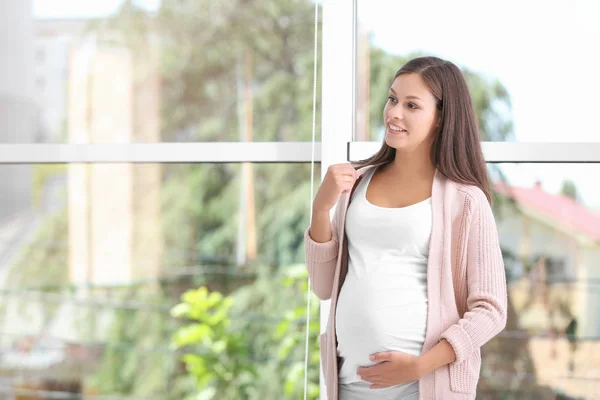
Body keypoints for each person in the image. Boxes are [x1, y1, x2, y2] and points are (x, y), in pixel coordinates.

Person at [304, 56, 508, 400]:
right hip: (349, 385)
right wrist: (321, 208)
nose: (394, 113)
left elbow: (491, 310)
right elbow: (324, 287)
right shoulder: (354, 184)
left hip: (424, 387)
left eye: (412, 105)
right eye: (393, 98)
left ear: (442, 118)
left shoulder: (467, 201)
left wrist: (421, 365)